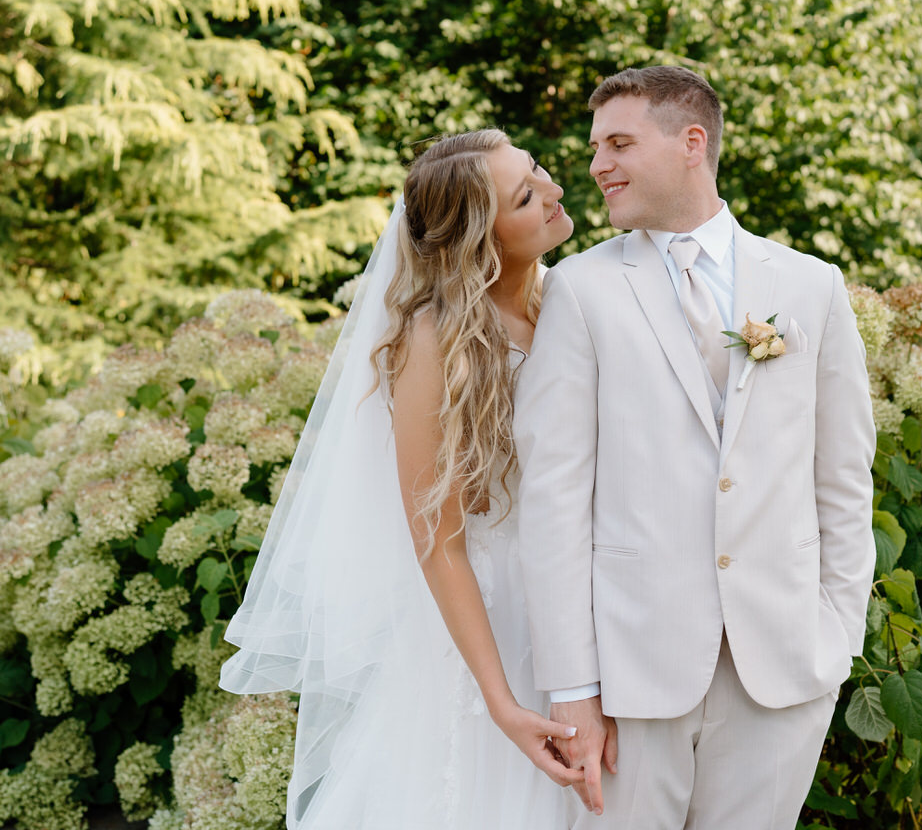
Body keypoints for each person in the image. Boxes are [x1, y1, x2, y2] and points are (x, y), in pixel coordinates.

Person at [514, 66, 877, 829]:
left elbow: (842, 479)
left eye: (618, 143)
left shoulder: (812, 286)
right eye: (593, 147)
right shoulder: (581, 291)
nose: (595, 165)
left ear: (691, 142)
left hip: (781, 671)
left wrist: (836, 639)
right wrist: (573, 687)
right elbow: (553, 499)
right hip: (629, 675)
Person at [220, 129, 580, 828]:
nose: (555, 192)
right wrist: (502, 702)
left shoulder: (568, 298)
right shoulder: (433, 338)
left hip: (576, 604)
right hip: (489, 622)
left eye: (538, 172)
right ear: (482, 236)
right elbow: (437, 539)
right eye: (527, 195)